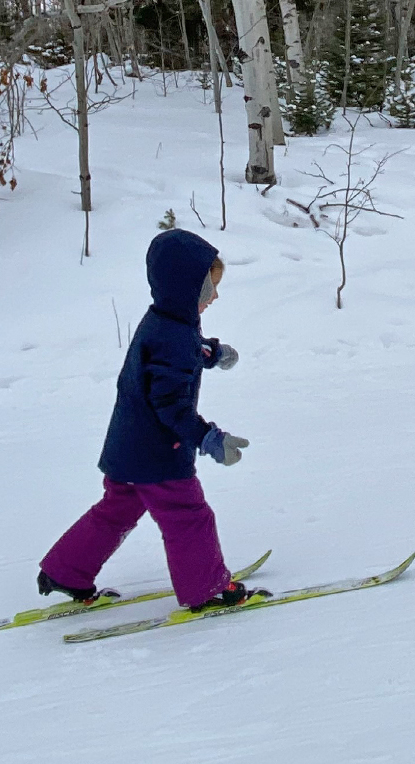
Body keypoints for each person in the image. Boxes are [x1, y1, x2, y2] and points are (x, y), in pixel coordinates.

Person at [37, 228, 264, 612]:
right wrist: (208, 438)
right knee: (188, 515)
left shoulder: (166, 321)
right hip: (158, 452)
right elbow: (170, 405)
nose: (215, 297)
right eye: (209, 289)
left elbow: (170, 362)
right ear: (186, 288)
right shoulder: (174, 334)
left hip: (129, 446)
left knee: (117, 508)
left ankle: (65, 572)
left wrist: (210, 353)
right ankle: (206, 589)